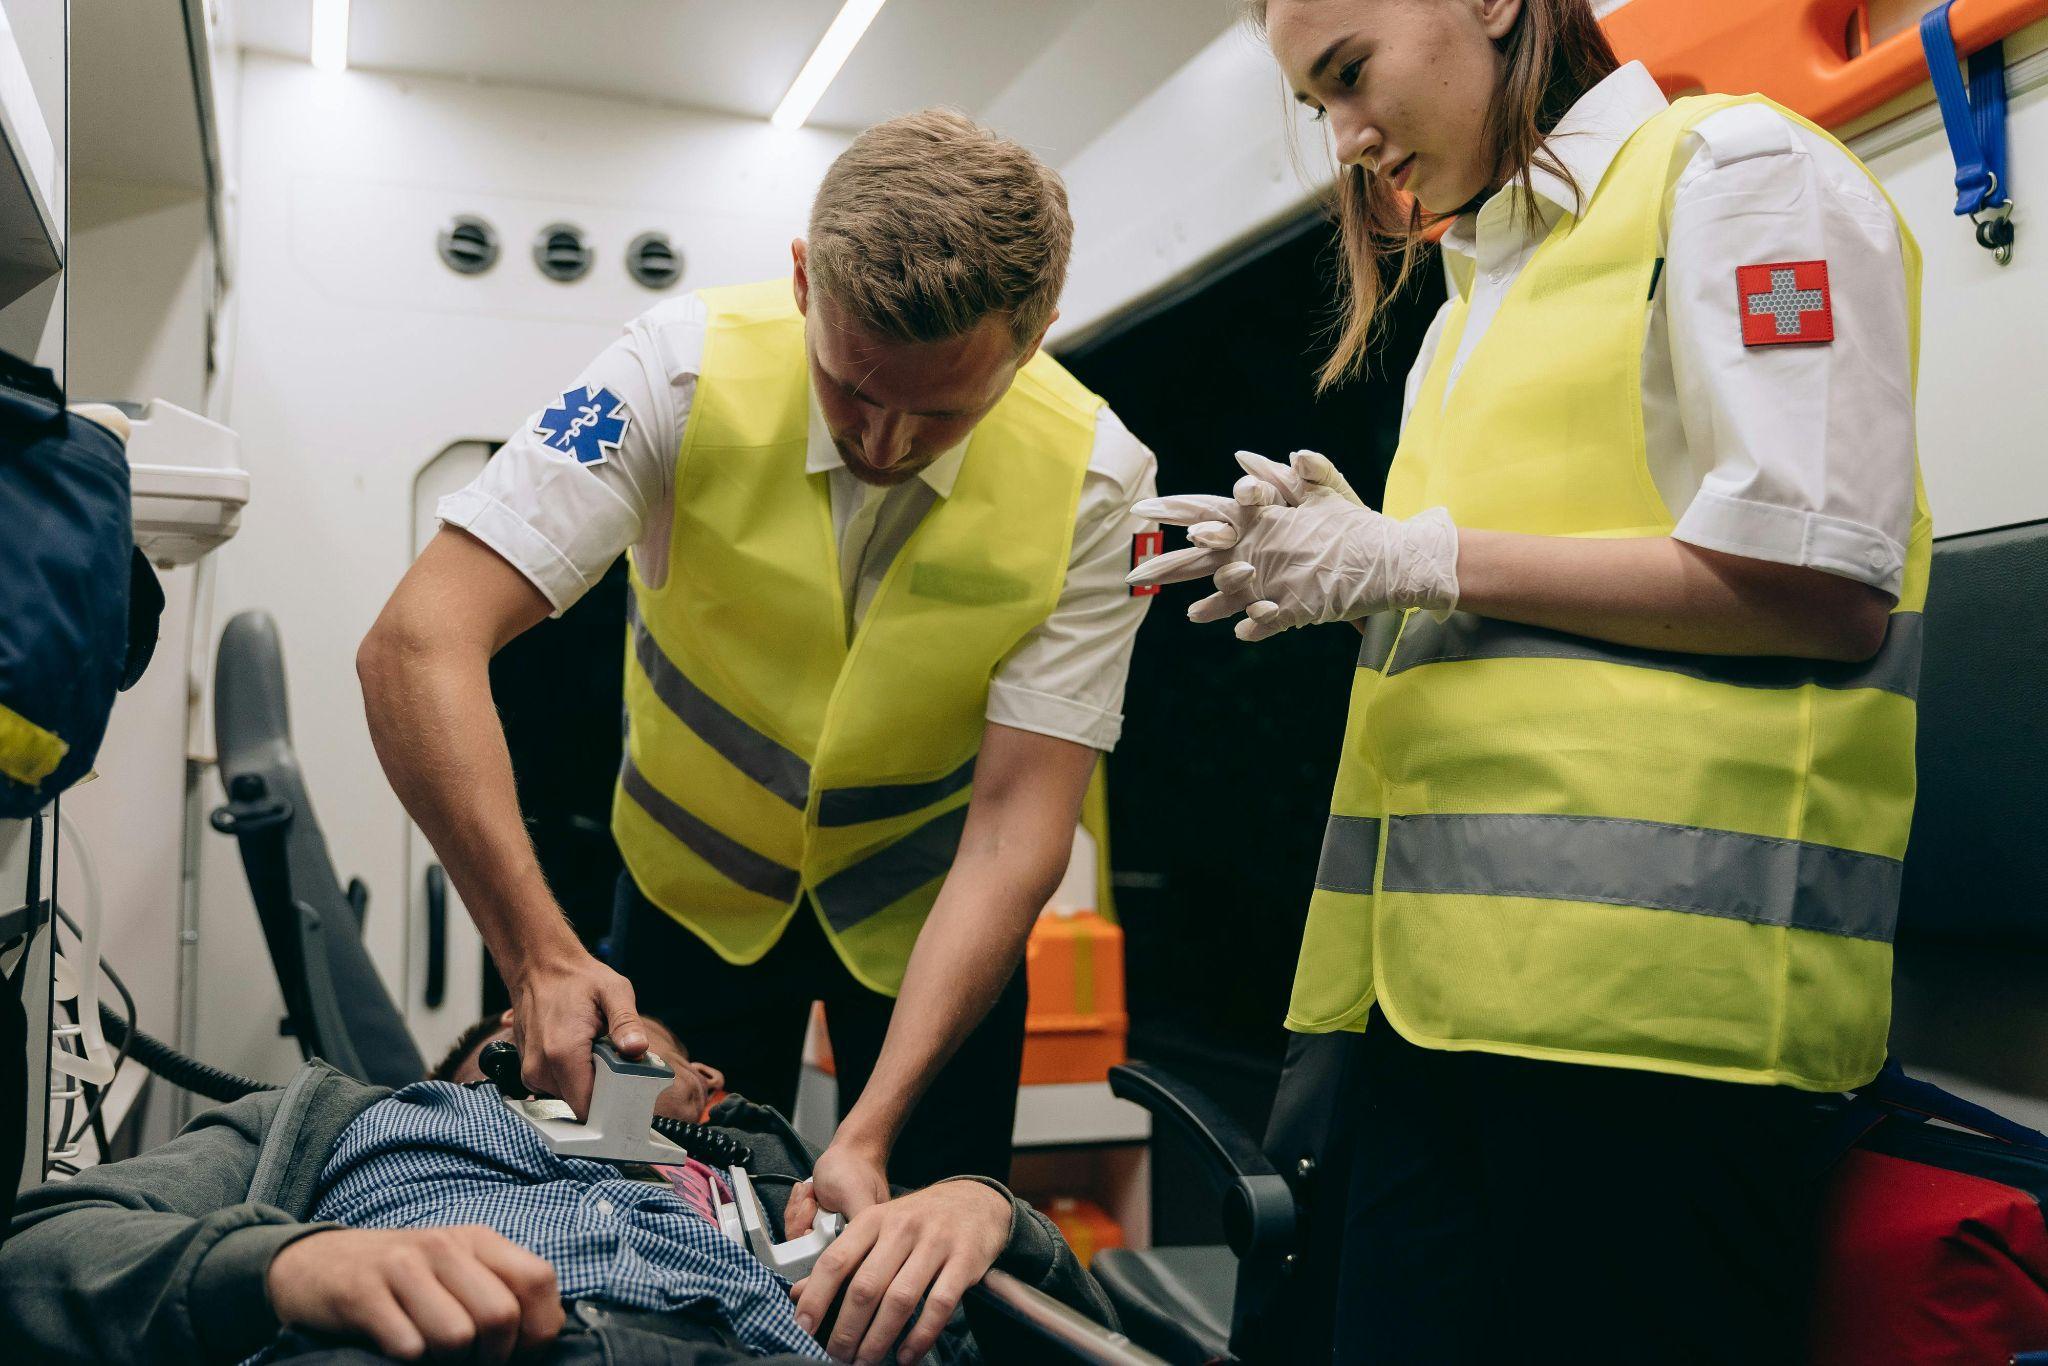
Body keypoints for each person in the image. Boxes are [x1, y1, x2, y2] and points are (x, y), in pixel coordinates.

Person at [1130, 1, 1928, 1361]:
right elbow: (1513, 616)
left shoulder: (1737, 173)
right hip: (1443, 1024)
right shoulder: (1473, 293)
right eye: (1314, 103)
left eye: (1349, 76)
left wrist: (1418, 553)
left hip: (1657, 1050)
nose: (1347, 137)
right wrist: (1349, 570)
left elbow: (1829, 589)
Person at [356, 107, 1158, 1224]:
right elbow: (414, 645)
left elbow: (1018, 826)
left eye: (938, 412)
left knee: (931, 1248)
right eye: (851, 388)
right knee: (657, 1223)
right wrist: (538, 954)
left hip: (931, 915)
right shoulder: (666, 376)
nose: (882, 443)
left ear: (1032, 338)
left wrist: (868, 1134)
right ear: (800, 282)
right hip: (687, 897)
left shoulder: (1099, 481)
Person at [0, 1009, 1115, 1365]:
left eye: (628, 1041)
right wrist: (287, 1263)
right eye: (516, 1037)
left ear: (702, 1086)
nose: (571, 1053)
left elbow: (1082, 1343)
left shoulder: (784, 1194)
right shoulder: (345, 1123)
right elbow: (36, 1258)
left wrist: (992, 1213)